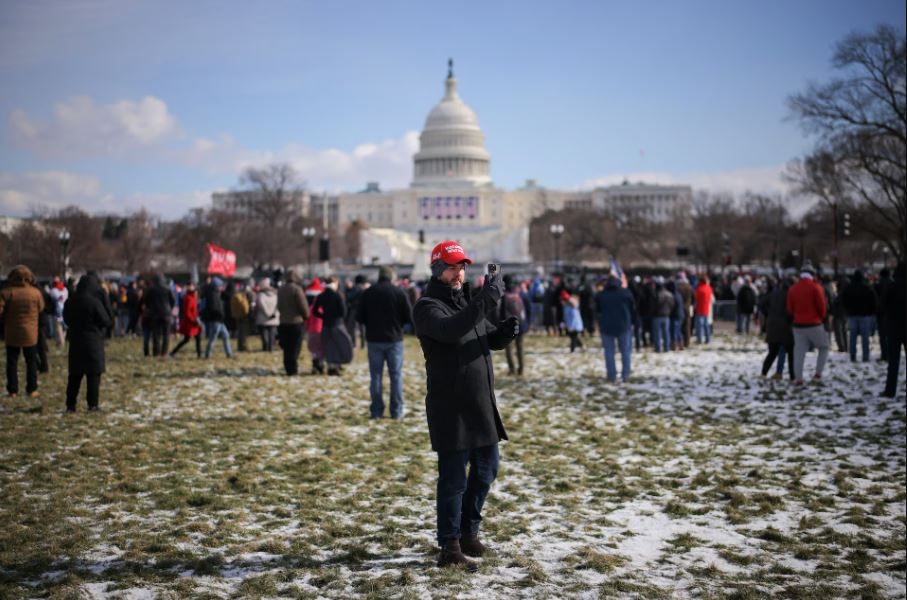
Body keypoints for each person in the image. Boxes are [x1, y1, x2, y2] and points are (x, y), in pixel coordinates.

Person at [412, 240, 519, 571]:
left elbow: (484, 337)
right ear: (437, 270)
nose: (459, 273)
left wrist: (503, 333)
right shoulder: (428, 306)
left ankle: (469, 530)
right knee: (454, 478)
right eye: (452, 267)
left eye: (462, 266)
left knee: (488, 468)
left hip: (479, 404)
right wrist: (486, 300)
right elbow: (452, 332)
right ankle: (450, 545)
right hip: (451, 406)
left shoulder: (465, 303)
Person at [357, 266, 412, 418]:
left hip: (374, 339)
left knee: (375, 376)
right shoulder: (399, 292)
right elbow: (409, 317)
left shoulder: (368, 292)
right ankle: (396, 411)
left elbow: (359, 317)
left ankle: (376, 411)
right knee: (396, 376)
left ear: (379, 276)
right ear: (391, 277)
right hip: (394, 339)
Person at [62, 274, 112, 412]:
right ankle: (92, 404)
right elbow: (106, 320)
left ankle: (70, 405)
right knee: (93, 375)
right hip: (93, 341)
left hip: (76, 340)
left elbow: (66, 319)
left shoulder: (70, 301)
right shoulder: (94, 302)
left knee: (75, 375)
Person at [0, 265, 45, 398]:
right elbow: (41, 309)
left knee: (12, 362)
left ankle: (12, 390)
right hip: (30, 333)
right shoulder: (35, 293)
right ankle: (32, 389)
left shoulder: (7, 292)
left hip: (12, 332)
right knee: (31, 361)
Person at [787, 262, 830, 384]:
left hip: (798, 324)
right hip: (814, 324)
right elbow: (822, 307)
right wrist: (820, 318)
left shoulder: (793, 289)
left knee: (799, 352)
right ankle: (818, 374)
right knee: (824, 347)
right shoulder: (816, 287)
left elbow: (790, 309)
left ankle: (799, 378)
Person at [595, 274, 637, 382]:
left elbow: (597, 311)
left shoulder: (601, 295)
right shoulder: (626, 293)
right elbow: (633, 309)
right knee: (625, 351)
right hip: (624, 325)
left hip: (607, 325)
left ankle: (611, 375)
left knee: (609, 352)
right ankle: (625, 374)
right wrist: (633, 321)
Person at [311, 276, 353, 376]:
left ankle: (330, 366)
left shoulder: (321, 296)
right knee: (341, 344)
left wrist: (323, 316)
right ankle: (336, 366)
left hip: (325, 324)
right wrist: (336, 317)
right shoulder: (338, 295)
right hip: (337, 324)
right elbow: (343, 312)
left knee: (328, 346)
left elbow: (315, 311)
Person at [276, 269, 310, 376]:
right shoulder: (297, 289)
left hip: (283, 322)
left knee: (286, 347)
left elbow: (279, 305)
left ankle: (288, 367)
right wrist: (306, 316)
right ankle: (293, 368)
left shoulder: (280, 289)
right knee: (295, 347)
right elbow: (303, 306)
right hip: (296, 322)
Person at [840, 270, 878, 363]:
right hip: (864, 315)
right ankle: (865, 356)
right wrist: (870, 312)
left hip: (852, 315)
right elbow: (873, 301)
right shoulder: (867, 287)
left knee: (852, 337)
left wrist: (848, 310)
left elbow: (843, 300)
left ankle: (853, 356)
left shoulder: (848, 287)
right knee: (865, 338)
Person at [760, 277, 794, 380]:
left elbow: (761, 303)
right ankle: (793, 375)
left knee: (772, 352)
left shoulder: (773, 294)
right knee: (791, 352)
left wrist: (768, 314)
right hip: (784, 328)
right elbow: (790, 312)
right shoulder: (789, 295)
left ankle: (764, 373)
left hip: (771, 325)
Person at [880, 262, 905, 398]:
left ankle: (890, 390)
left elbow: (882, 306)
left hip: (893, 327)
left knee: (893, 362)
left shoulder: (891, 286)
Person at [141, 273, 176, 357]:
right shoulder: (167, 288)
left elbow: (145, 300)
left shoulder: (150, 289)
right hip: (166, 313)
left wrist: (149, 308)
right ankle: (164, 352)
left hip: (154, 314)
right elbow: (173, 300)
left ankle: (156, 352)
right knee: (166, 334)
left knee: (156, 335)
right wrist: (169, 308)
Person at [500, 278, 527, 375]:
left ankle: (512, 369)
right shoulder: (521, 293)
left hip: (509, 326)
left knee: (509, 349)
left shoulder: (504, 296)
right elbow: (528, 307)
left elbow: (501, 312)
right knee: (520, 348)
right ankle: (521, 369)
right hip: (521, 324)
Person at [201, 277, 233, 358]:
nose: (222, 287)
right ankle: (208, 353)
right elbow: (214, 308)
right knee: (213, 338)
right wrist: (220, 315)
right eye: (220, 286)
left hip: (219, 320)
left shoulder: (217, 294)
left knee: (226, 336)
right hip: (216, 319)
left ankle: (229, 353)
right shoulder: (213, 295)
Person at [170, 282, 203, 358]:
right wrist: (193, 320)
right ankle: (173, 352)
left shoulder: (192, 297)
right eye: (190, 286)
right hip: (190, 322)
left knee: (196, 338)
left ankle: (199, 355)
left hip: (193, 321)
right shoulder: (188, 298)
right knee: (187, 339)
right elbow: (187, 312)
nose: (192, 287)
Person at [254, 277, 279, 352]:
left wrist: (267, 314)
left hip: (263, 318)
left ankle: (265, 347)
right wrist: (273, 314)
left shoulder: (260, 295)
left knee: (264, 334)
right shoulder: (276, 294)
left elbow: (261, 305)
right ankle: (271, 347)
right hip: (274, 318)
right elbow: (278, 305)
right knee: (272, 334)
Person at [230, 282, 252, 352]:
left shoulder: (234, 296)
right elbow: (245, 307)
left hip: (237, 316)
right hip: (243, 316)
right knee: (243, 332)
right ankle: (243, 346)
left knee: (240, 332)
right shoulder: (240, 297)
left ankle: (240, 346)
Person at [694, 276, 713, 344]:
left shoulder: (699, 289)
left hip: (699, 309)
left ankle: (700, 339)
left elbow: (695, 298)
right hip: (706, 309)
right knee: (706, 325)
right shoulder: (709, 288)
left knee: (699, 326)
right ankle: (708, 339)